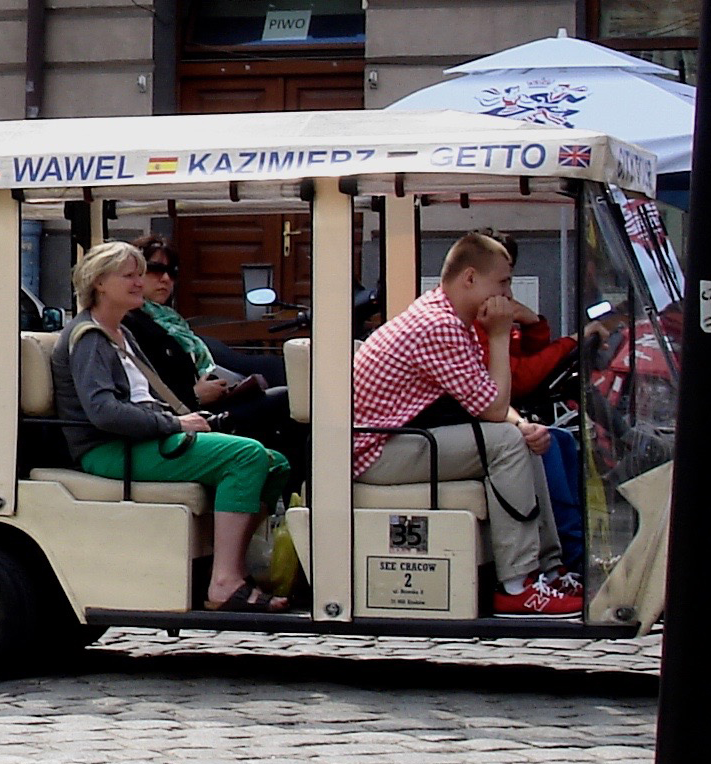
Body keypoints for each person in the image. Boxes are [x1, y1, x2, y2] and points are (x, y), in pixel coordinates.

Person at [54, 241, 292, 612]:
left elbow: (148, 396)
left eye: (138, 275)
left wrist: (189, 417)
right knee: (246, 456)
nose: (138, 283)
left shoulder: (120, 333)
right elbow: (104, 412)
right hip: (111, 449)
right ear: (99, 283)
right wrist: (174, 422)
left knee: (275, 462)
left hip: (142, 439)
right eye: (129, 275)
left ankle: (229, 565)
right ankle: (224, 583)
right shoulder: (89, 338)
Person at [351, 230, 578, 615]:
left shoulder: (449, 316)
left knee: (519, 437)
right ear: (470, 278)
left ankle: (548, 569)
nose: (507, 294)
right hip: (376, 452)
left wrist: (523, 425)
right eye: (503, 283)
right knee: (506, 441)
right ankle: (515, 585)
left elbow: (480, 397)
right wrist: (501, 336)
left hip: (400, 439)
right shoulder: (439, 326)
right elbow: (491, 407)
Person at [127, 243, 305, 470]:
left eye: (172, 272)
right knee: (285, 400)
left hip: (201, 405)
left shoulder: (173, 324)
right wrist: (195, 396)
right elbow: (143, 390)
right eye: (155, 269)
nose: (165, 279)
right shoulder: (133, 325)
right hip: (184, 416)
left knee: (291, 392)